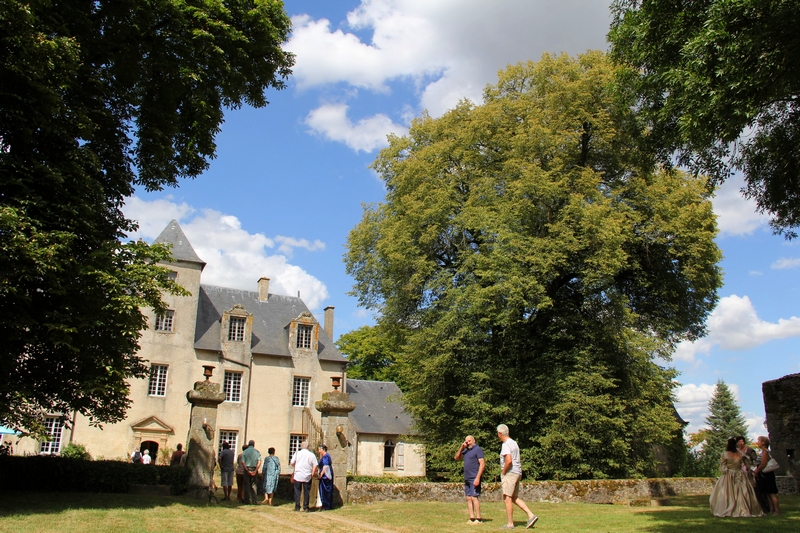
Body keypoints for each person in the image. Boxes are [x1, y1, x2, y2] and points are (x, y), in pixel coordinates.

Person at [497, 424, 538, 530]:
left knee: (507, 498)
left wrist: (504, 471)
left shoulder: (506, 445)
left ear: (500, 434)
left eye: (498, 434)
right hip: (517, 472)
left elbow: (509, 460)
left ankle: (510, 524)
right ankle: (531, 515)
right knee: (514, 497)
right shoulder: (514, 443)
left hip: (510, 473)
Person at [709, 437, 762, 517]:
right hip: (739, 474)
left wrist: (725, 470)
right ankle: (742, 508)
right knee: (742, 491)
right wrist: (753, 469)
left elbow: (723, 465)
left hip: (730, 474)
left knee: (729, 492)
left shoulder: (725, 454)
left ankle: (731, 508)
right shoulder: (740, 453)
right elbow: (748, 462)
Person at [455, 435, 485, 525]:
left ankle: (479, 519)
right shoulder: (466, 450)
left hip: (474, 477)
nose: (468, 443)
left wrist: (478, 478)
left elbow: (482, 464)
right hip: (467, 477)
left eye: (469, 441)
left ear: (473, 440)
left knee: (474, 497)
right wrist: (462, 447)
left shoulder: (478, 449)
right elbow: (456, 457)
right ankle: (472, 518)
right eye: (466, 441)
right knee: (468, 498)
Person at [754, 435, 781, 516]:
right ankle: (772, 510)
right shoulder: (762, 452)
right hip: (763, 474)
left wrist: (757, 471)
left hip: (767, 474)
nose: (757, 442)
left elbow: (763, 464)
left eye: (759, 441)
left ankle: (777, 510)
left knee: (771, 492)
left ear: (763, 442)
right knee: (767, 493)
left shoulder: (765, 452)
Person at [290, 441, 318, 512]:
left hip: (298, 474)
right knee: (306, 491)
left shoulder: (297, 453)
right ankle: (305, 507)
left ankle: (297, 506)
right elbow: (315, 465)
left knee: (297, 491)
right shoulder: (311, 454)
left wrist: (296, 466)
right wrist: (312, 472)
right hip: (307, 475)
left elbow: (292, 463)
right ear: (307, 446)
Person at [240, 440, 262, 505]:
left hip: (247, 468)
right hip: (254, 468)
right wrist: (255, 470)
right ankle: (254, 500)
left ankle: (247, 500)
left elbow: (243, 462)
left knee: (246, 485)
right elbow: (259, 462)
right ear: (254, 445)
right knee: (254, 484)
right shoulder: (257, 452)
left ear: (248, 444)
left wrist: (247, 470)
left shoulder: (245, 452)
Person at [317, 444, 334, 510]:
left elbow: (325, 466)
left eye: (319, 450)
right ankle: (324, 504)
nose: (319, 451)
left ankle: (326, 505)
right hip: (325, 475)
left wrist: (321, 474)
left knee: (325, 489)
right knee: (323, 489)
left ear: (323, 449)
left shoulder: (326, 457)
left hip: (326, 476)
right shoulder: (325, 456)